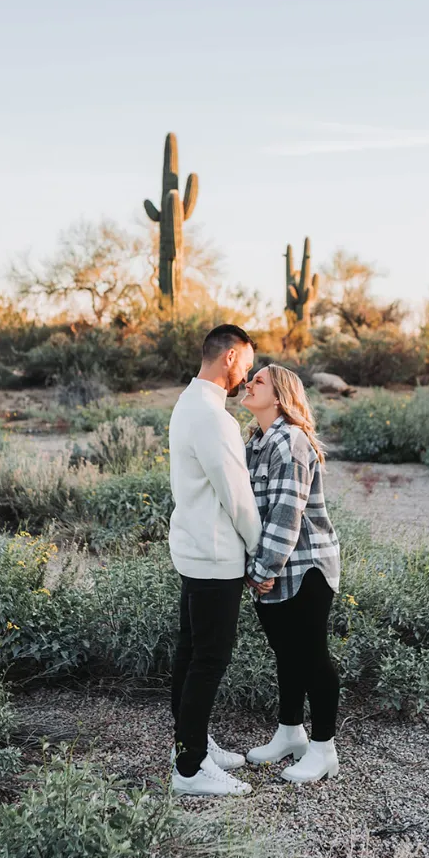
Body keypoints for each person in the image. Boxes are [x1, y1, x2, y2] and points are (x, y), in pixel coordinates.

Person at [168, 324, 262, 796]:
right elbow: (237, 497)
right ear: (229, 356)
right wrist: (260, 546)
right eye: (246, 363)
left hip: (193, 548)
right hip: (215, 554)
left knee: (190, 652)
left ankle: (191, 742)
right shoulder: (212, 417)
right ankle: (189, 769)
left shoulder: (189, 402)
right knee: (209, 659)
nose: (247, 375)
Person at [242, 364, 341, 783]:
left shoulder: (291, 442)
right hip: (272, 566)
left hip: (305, 568)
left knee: (312, 657)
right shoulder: (256, 442)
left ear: (279, 396)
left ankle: (324, 750)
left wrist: (262, 569)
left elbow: (286, 513)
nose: (248, 384)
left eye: (258, 381)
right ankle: (290, 733)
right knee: (286, 655)